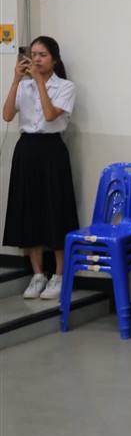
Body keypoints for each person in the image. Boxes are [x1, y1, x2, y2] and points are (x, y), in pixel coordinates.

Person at [3, 36, 79, 300]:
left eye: (42, 55)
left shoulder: (65, 87)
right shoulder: (23, 86)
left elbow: (49, 115)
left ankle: (58, 274)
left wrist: (38, 82)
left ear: (54, 60)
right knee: (30, 209)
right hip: (26, 149)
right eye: (33, 54)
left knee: (56, 209)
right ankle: (37, 274)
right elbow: (7, 115)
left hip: (52, 150)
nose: (36, 59)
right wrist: (16, 80)